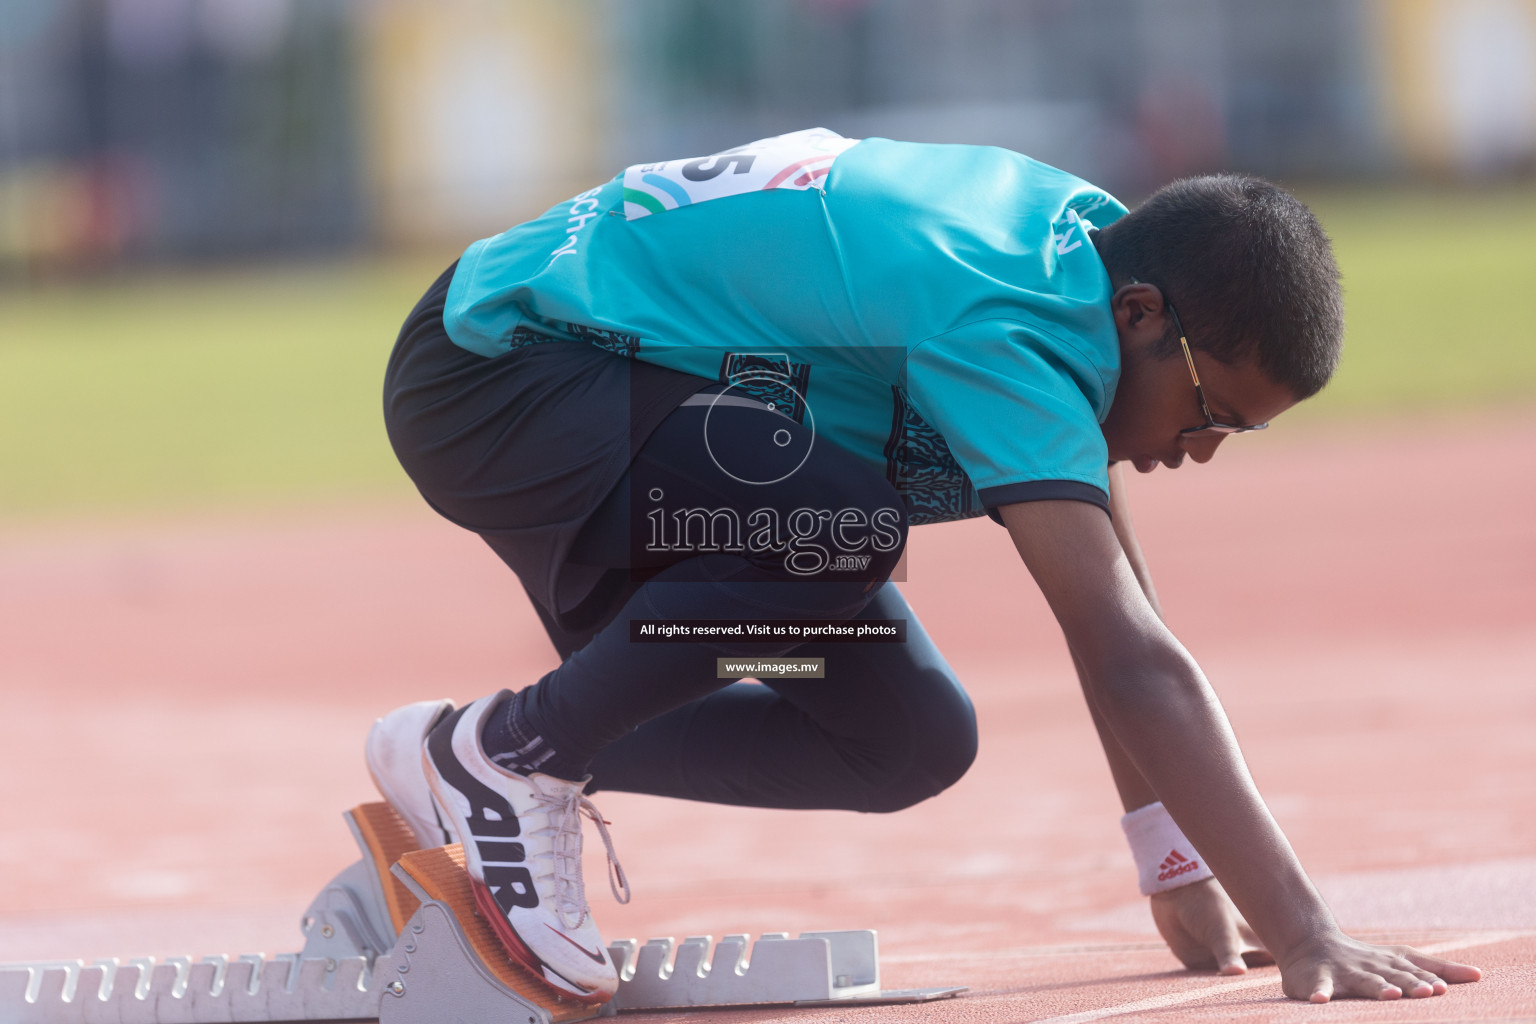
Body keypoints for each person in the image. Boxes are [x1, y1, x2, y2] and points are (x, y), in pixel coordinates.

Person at [369, 128, 1481, 1004]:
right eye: (1210, 412)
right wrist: (1302, 926)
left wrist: (1176, 859)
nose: (1198, 451)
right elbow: (1130, 655)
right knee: (844, 532)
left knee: (905, 739)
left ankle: (485, 751)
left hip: (638, 426)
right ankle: (515, 754)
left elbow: (1114, 608)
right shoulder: (1001, 310)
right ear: (1141, 316)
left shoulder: (1093, 269)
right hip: (497, 379)